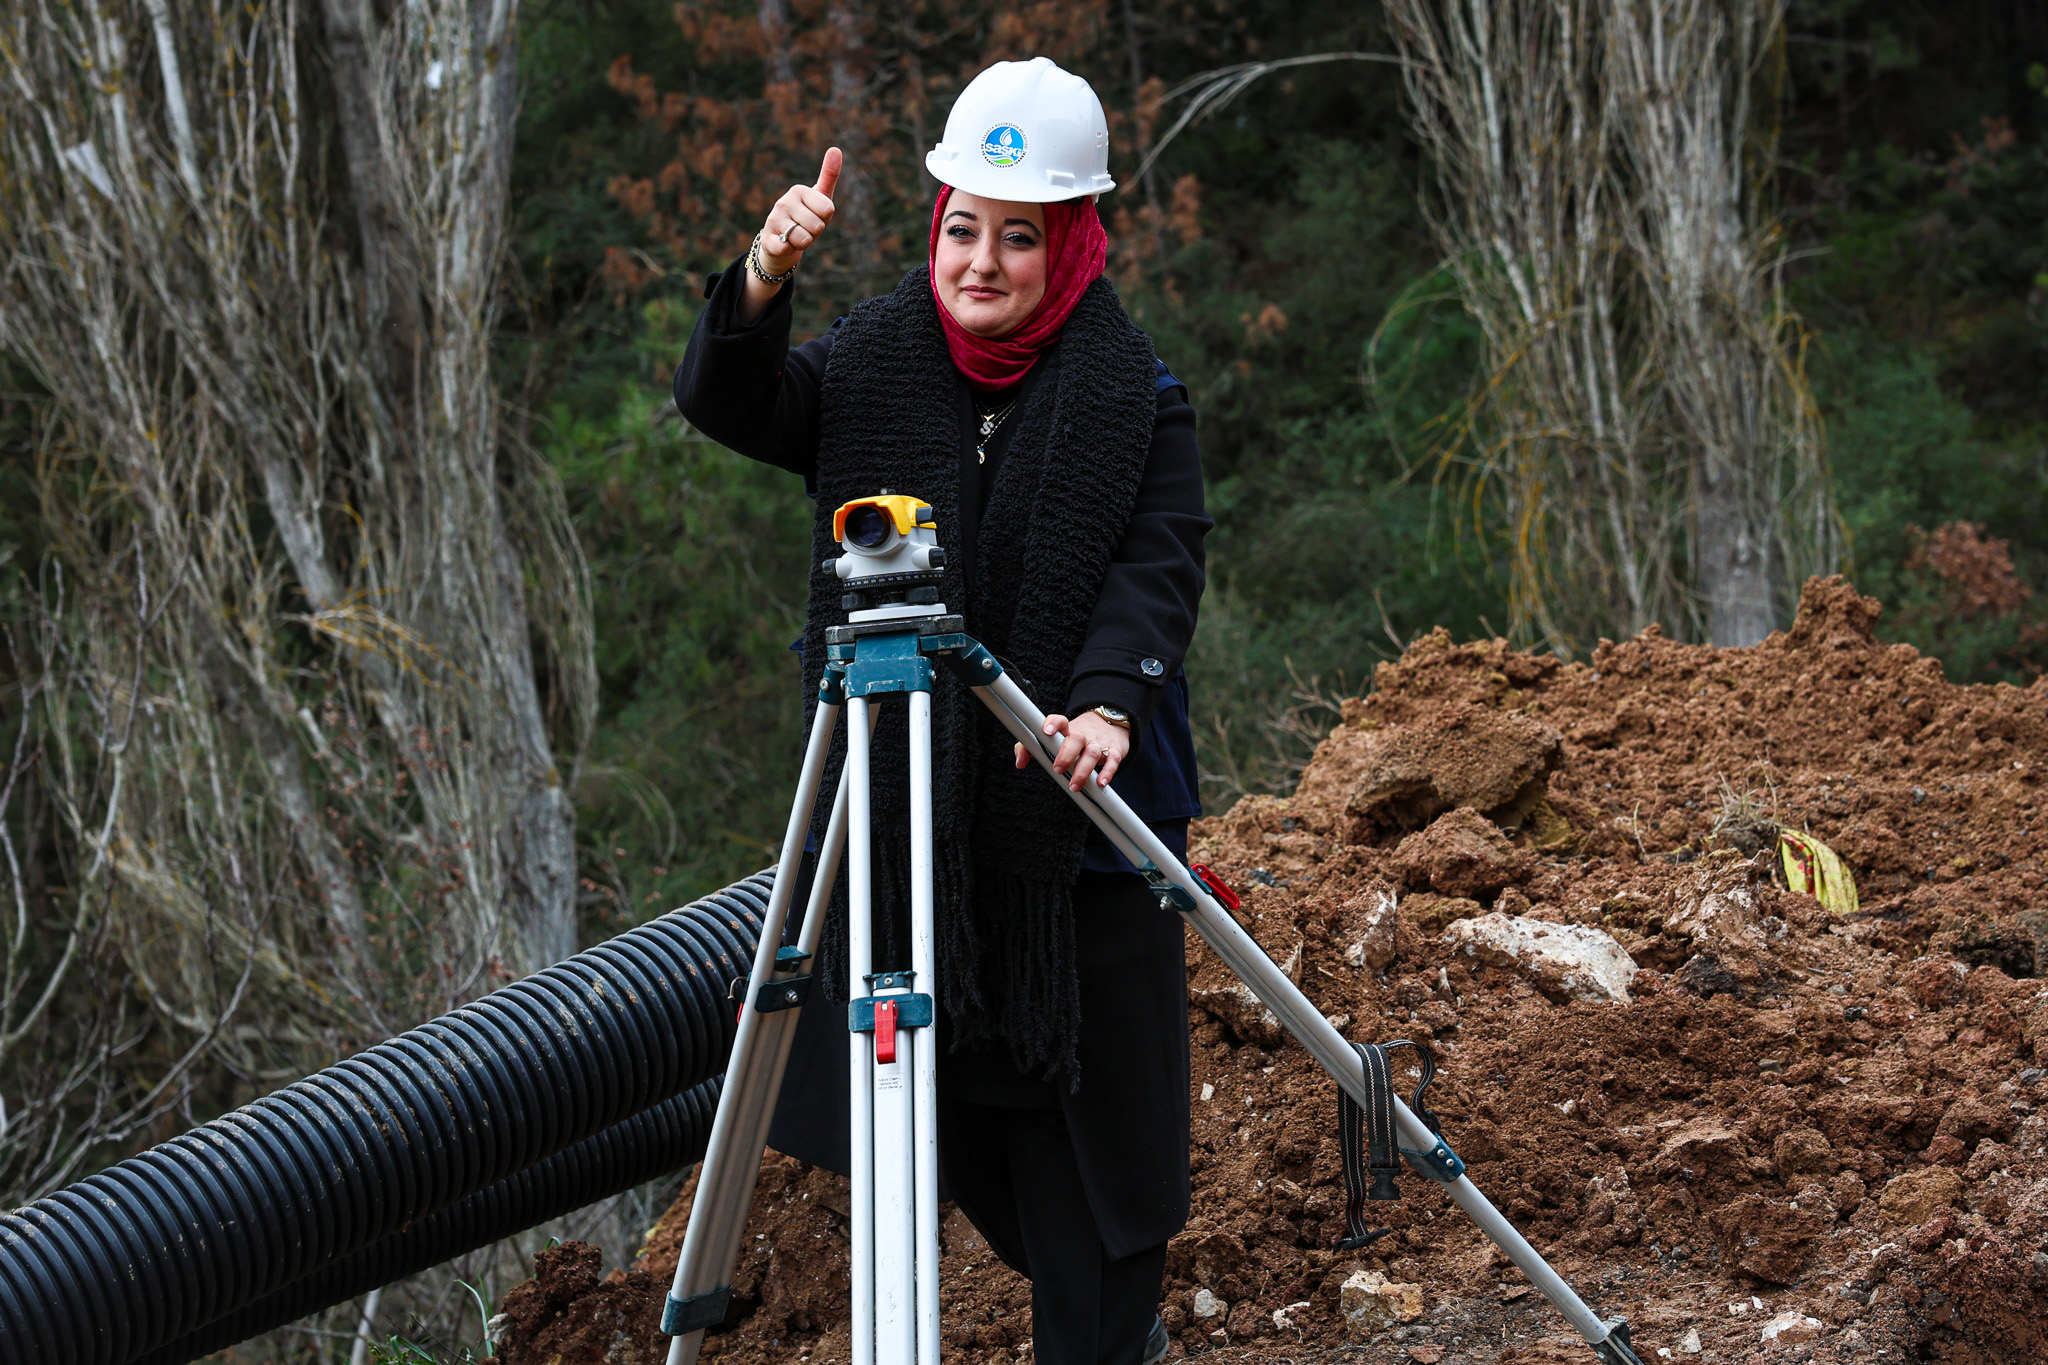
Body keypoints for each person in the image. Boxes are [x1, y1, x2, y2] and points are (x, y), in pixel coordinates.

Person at [672, 56, 1209, 1365]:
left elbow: (1158, 563)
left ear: (1070, 243)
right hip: (915, 823)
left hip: (1077, 822)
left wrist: (1104, 712)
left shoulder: (1132, 394)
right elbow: (729, 399)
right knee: (949, 1116)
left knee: (1089, 1149)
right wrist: (763, 274)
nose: (981, 262)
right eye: (963, 227)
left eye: (1018, 237)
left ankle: (1107, 1342)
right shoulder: (871, 359)